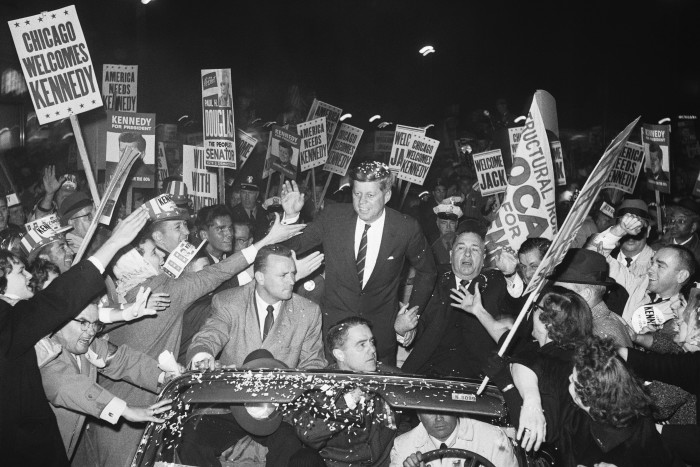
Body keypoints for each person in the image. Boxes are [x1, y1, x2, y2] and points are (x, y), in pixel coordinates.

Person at [87, 213, 305, 467]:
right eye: (154, 253)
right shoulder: (165, 291)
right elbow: (216, 274)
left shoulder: (112, 296)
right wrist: (264, 243)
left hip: (105, 395)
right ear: (136, 263)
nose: (163, 257)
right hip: (140, 398)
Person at [0, 208, 149, 467]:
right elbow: (58, 302)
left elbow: (69, 311)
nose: (28, 277)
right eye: (19, 272)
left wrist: (121, 313)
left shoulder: (16, 319)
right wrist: (113, 243)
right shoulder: (7, 319)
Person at [281, 161, 437, 365]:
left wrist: (409, 316)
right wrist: (291, 217)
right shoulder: (333, 217)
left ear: (387, 195)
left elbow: (428, 272)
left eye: (370, 195)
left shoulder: (405, 228)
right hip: (334, 335)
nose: (362, 202)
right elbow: (292, 247)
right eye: (357, 194)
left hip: (379, 337)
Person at [38, 300, 174, 463]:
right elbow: (64, 385)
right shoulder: (42, 350)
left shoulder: (86, 345)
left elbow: (123, 361)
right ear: (60, 320)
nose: (90, 332)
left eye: (95, 324)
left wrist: (164, 376)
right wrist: (126, 410)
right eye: (83, 323)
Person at [187, 243, 326, 370]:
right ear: (260, 277)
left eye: (293, 273)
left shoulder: (308, 312)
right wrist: (202, 358)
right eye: (283, 275)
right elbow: (209, 336)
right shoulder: (229, 302)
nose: (292, 281)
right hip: (232, 392)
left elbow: (313, 363)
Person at [402, 230, 513, 378]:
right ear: (450, 255)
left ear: (484, 258)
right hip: (428, 373)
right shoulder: (433, 279)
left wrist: (511, 274)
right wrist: (403, 329)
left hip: (480, 379)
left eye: (474, 249)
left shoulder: (497, 282)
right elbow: (418, 324)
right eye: (461, 248)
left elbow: (517, 312)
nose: (467, 254)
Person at [292, 317, 398, 466]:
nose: (373, 350)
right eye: (362, 345)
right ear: (339, 354)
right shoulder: (320, 386)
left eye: (371, 342)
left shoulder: (391, 377)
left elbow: (405, 420)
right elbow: (308, 434)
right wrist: (351, 399)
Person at [549, 248, 632, 348]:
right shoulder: (584, 321)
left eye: (561, 291)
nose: (554, 296)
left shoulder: (603, 334)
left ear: (586, 294)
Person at [390, 409, 518, 467]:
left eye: (444, 409)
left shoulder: (493, 438)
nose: (438, 418)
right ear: (418, 415)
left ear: (456, 409)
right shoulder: (403, 446)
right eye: (429, 411)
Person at [653, 198, 700, 265]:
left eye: (681, 221)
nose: (673, 225)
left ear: (693, 227)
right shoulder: (657, 246)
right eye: (672, 220)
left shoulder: (697, 255)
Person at [231, 176, 270, 242]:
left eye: (250, 193)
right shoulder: (232, 214)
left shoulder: (265, 211)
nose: (246, 197)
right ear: (240, 194)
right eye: (244, 193)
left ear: (257, 194)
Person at [430, 203, 462, 274]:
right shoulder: (430, 245)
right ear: (437, 223)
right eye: (444, 223)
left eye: (452, 223)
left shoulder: (463, 243)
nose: (448, 227)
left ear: (457, 224)